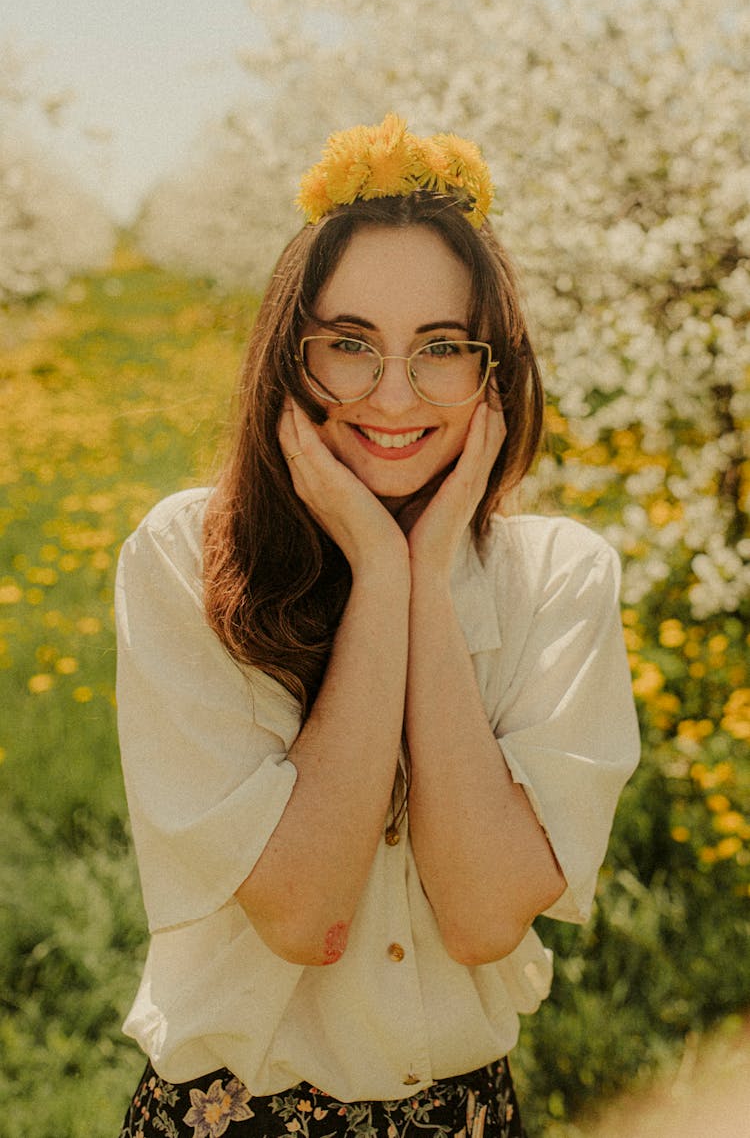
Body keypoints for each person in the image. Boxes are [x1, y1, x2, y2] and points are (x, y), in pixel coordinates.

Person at [115, 114, 640, 1138]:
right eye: (350, 344)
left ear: (493, 372)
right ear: (288, 357)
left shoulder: (561, 578)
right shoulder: (183, 558)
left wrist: (422, 576)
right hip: (230, 1117)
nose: (392, 394)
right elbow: (306, 915)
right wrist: (382, 573)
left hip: (468, 1117)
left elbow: (486, 915)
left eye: (440, 347)